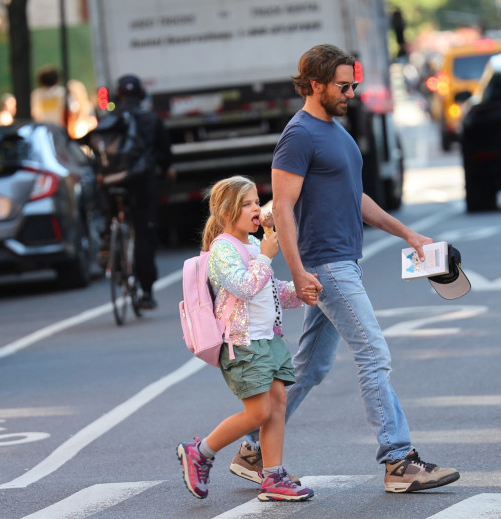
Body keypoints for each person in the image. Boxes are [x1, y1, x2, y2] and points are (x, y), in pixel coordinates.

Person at [231, 44, 461, 493]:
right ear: (314, 84)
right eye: (343, 85)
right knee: (373, 353)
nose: (351, 92)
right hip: (326, 267)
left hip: (341, 262)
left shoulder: (337, 132)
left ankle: (252, 451)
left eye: (354, 84)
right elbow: (283, 208)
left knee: (310, 368)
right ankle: (398, 460)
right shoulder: (299, 136)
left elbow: (355, 199)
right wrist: (298, 271)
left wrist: (408, 234)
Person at [176, 175, 316, 502]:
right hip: (242, 345)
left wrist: (301, 291)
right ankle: (200, 451)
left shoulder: (252, 244)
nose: (257, 208)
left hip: (268, 340)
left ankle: (273, 477)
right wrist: (266, 255)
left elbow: (269, 289)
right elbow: (244, 286)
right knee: (257, 413)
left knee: (278, 405)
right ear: (227, 214)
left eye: (257, 201)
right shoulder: (222, 248)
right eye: (247, 204)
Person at [110, 74, 173, 309]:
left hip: (112, 182)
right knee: (144, 233)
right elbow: (165, 154)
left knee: (111, 214)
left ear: (119, 95)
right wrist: (166, 170)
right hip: (142, 183)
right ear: (141, 95)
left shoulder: (108, 120)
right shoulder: (151, 119)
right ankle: (146, 292)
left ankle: (110, 245)